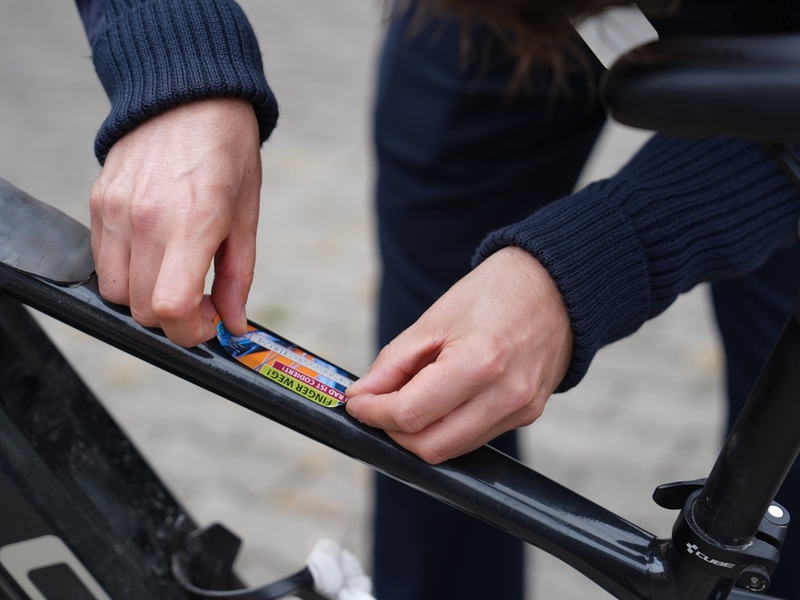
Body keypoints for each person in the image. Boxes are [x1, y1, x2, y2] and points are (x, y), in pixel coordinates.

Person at [73, 0, 800, 598]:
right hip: (496, 18)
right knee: (429, 377)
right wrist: (173, 64)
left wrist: (604, 256)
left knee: (780, 429)